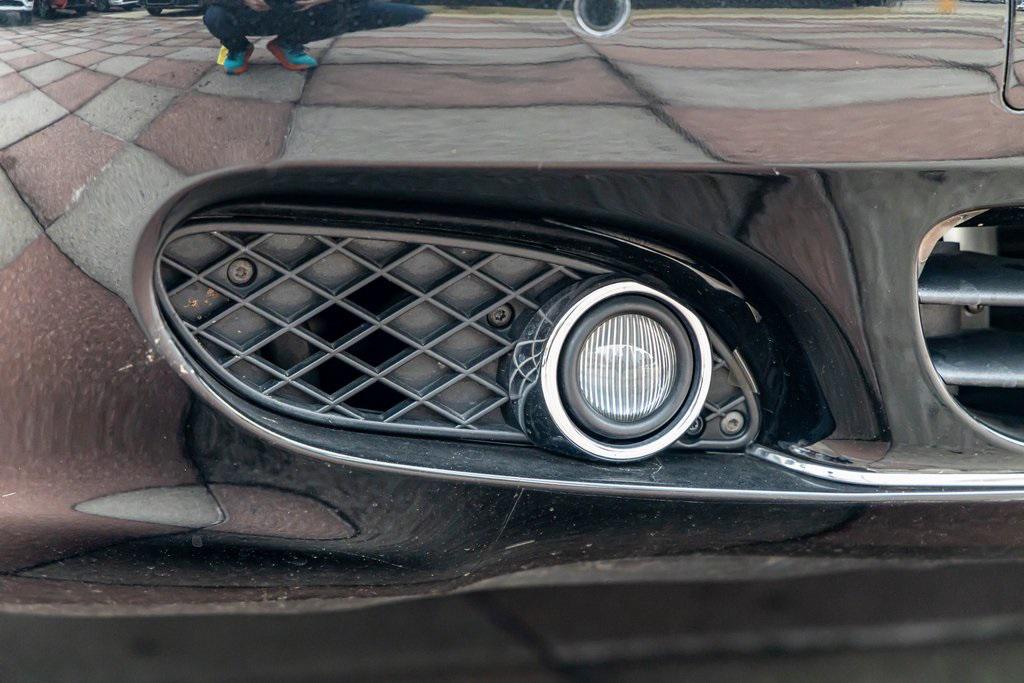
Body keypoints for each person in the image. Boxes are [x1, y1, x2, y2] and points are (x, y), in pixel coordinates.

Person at [203, 0, 428, 76]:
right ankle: (237, 48)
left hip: (299, 14)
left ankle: (287, 44)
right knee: (215, 15)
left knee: (339, 11)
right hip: (247, 14)